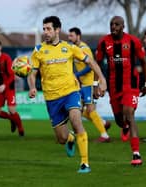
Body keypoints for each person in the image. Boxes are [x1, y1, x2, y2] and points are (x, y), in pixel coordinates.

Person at [28, 16, 107, 173]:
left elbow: (90, 62)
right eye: (44, 29)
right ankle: (70, 139)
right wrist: (32, 87)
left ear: (57, 30)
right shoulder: (38, 50)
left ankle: (85, 163)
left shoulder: (69, 47)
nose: (46, 32)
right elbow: (32, 73)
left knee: (76, 121)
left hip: (71, 92)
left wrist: (102, 79)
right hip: (51, 98)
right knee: (61, 138)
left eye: (48, 29)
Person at [95, 16, 146, 166]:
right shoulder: (104, 42)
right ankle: (124, 127)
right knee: (120, 121)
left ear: (123, 26)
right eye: (111, 24)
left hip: (131, 84)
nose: (113, 26)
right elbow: (96, 64)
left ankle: (136, 154)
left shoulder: (133, 41)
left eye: (117, 24)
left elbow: (144, 62)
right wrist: (95, 84)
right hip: (114, 87)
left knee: (129, 113)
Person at [68, 27, 111, 143]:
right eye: (69, 36)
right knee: (78, 110)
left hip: (89, 83)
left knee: (90, 109)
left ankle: (104, 135)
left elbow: (90, 66)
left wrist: (77, 75)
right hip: (81, 84)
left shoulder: (84, 48)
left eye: (72, 35)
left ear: (78, 36)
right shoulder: (74, 49)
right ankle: (102, 123)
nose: (69, 38)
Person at [0, 39, 24, 136]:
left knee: (12, 110)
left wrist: (4, 85)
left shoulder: (6, 58)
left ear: (0, 48)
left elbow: (12, 76)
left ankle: (20, 129)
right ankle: (12, 119)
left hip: (8, 87)